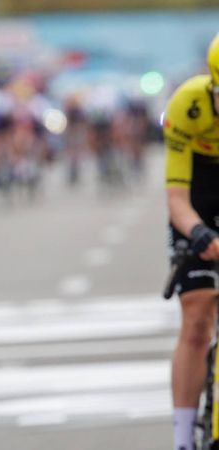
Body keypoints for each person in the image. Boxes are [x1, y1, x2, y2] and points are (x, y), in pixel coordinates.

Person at [164, 32, 219, 450]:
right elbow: (177, 198)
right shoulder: (188, 104)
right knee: (197, 317)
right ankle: (183, 439)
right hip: (197, 194)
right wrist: (199, 232)